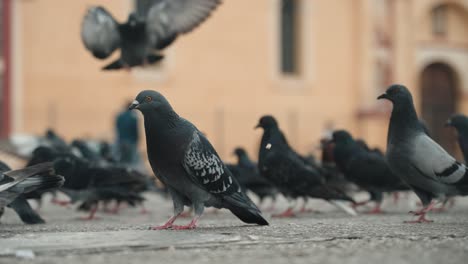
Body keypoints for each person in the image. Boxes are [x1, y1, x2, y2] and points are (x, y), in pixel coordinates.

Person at [115, 101, 140, 165]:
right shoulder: (133, 117)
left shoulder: (120, 116)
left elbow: (117, 127)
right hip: (131, 142)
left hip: (121, 140)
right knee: (131, 161)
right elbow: (135, 130)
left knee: (122, 160)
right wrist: (137, 140)